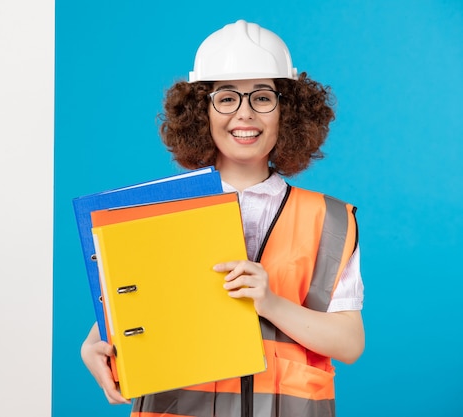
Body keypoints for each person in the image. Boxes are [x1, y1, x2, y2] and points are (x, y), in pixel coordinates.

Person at [81, 19, 365, 417]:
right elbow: (134, 302)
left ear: (289, 110)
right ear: (202, 111)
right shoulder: (156, 212)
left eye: (263, 98)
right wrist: (95, 342)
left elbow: (350, 343)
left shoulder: (329, 218)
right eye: (227, 98)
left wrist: (271, 303)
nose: (245, 115)